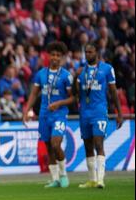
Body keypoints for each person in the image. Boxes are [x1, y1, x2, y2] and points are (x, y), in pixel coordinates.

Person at [23, 41, 75, 188]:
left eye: (58, 55)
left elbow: (73, 98)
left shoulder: (66, 76)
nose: (55, 58)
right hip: (44, 114)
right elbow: (34, 94)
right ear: (48, 56)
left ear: (62, 58)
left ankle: (64, 174)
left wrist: (58, 104)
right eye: (53, 54)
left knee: (56, 143)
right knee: (48, 146)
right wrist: (26, 111)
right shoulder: (41, 74)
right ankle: (54, 179)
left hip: (59, 115)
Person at [77, 43, 123, 189]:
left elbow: (113, 92)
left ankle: (101, 179)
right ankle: (91, 179)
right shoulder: (81, 72)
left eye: (90, 52)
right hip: (84, 113)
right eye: (86, 52)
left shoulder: (107, 69)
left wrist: (119, 113)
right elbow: (77, 94)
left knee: (99, 144)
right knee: (87, 146)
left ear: (96, 53)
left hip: (99, 112)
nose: (87, 54)